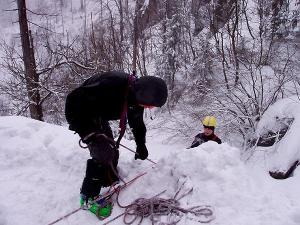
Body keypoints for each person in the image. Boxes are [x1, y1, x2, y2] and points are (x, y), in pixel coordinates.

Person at [65, 71, 168, 214]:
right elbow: (74, 99)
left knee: (111, 150)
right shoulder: (113, 84)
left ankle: (108, 179)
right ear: (145, 94)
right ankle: (87, 197)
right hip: (81, 113)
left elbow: (137, 124)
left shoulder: (134, 98)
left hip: (98, 114)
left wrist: (141, 145)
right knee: (102, 153)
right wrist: (84, 130)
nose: (150, 108)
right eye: (151, 104)